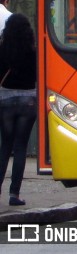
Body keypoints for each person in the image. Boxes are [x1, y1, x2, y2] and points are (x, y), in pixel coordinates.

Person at [0, 13, 37, 206]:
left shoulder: (3, 49)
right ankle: (14, 194)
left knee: (5, 146)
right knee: (20, 146)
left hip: (5, 99)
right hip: (28, 100)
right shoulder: (33, 51)